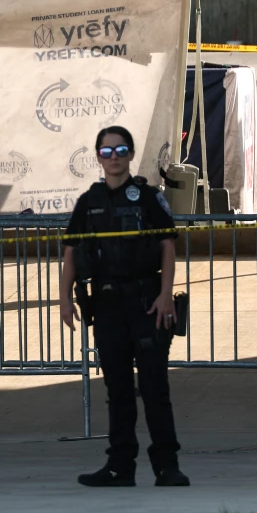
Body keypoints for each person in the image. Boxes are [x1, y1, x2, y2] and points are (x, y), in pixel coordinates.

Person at [60, 125, 190, 488]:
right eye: (106, 152)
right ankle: (120, 467)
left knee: (154, 388)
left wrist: (166, 294)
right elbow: (71, 251)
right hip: (107, 307)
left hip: (148, 303)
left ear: (131, 154)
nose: (113, 157)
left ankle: (167, 466)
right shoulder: (89, 202)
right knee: (117, 390)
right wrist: (64, 298)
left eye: (120, 151)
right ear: (98, 157)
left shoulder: (148, 198)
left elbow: (167, 246)